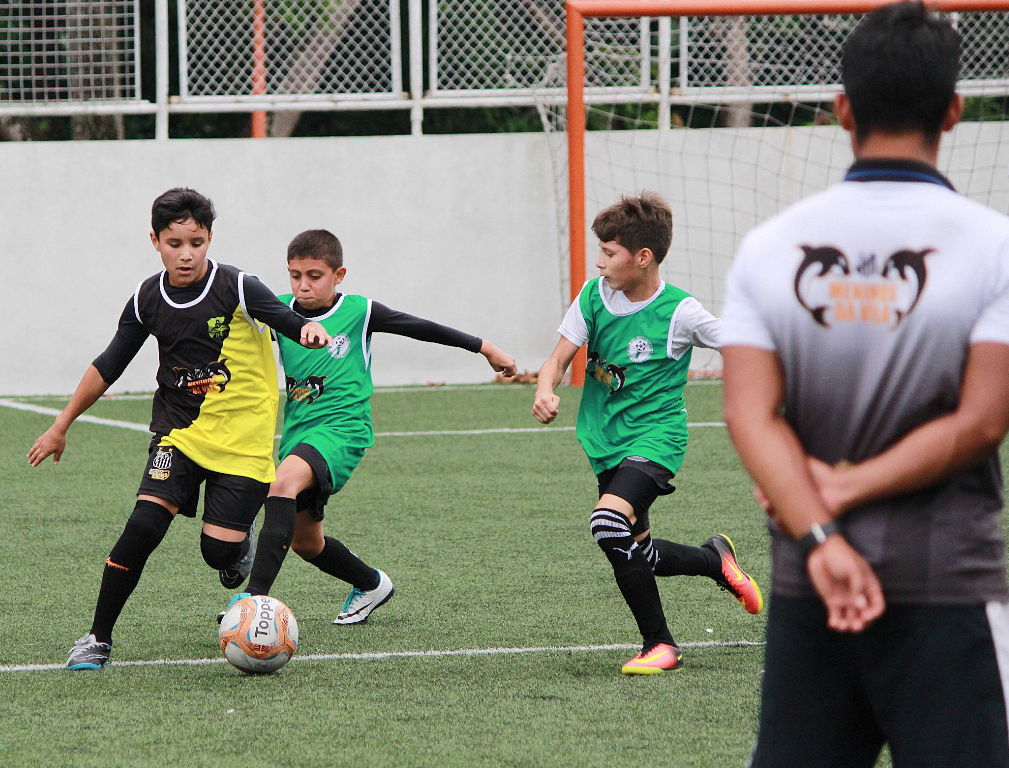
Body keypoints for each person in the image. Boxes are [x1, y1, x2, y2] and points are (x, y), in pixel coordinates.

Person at [720, 4, 1009, 765]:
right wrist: (843, 490)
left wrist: (819, 523)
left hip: (808, 581)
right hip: (946, 582)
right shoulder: (993, 246)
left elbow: (749, 416)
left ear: (841, 108)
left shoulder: (768, 247)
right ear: (953, 109)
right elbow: (982, 422)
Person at [29, 188, 332, 670]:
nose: (186, 254)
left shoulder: (237, 285)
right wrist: (61, 424)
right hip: (179, 432)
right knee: (143, 526)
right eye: (174, 243)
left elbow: (285, 318)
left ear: (209, 238)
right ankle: (97, 638)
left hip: (243, 443)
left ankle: (237, 548)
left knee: (218, 552)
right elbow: (110, 363)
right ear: (155, 241)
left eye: (196, 242)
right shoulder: (147, 298)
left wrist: (306, 330)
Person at [219, 229, 517, 624]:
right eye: (295, 275)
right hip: (298, 434)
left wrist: (486, 348)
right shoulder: (280, 312)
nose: (303, 286)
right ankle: (371, 583)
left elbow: (419, 326)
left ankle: (251, 601)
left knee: (280, 485)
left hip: (343, 430)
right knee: (307, 543)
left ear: (338, 274)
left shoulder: (359, 312)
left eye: (314, 275)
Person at [533, 192, 763, 676]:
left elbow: (741, 345)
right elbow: (557, 359)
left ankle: (660, 645)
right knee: (639, 551)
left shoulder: (680, 312)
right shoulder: (593, 297)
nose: (599, 262)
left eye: (609, 252)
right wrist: (545, 388)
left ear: (643, 258)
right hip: (605, 442)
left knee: (606, 524)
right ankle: (714, 560)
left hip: (656, 440)